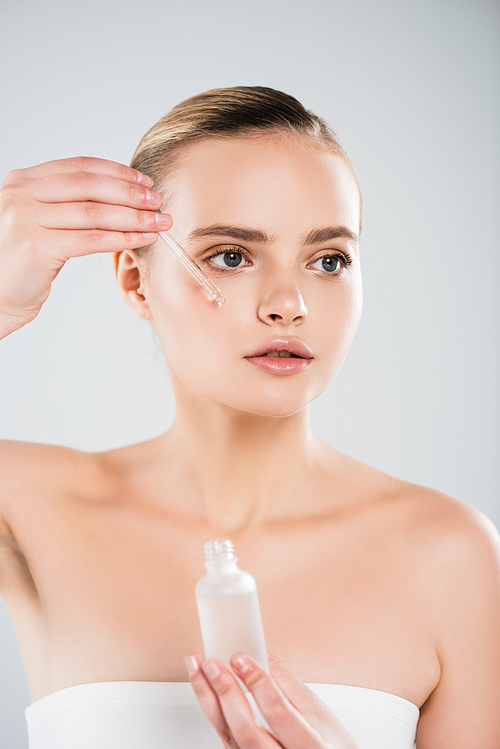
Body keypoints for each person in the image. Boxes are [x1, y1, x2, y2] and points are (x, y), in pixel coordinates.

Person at [0, 86, 499, 749]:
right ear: (133, 279)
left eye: (329, 260)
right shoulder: (28, 502)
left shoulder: (452, 555)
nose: (288, 303)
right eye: (231, 255)